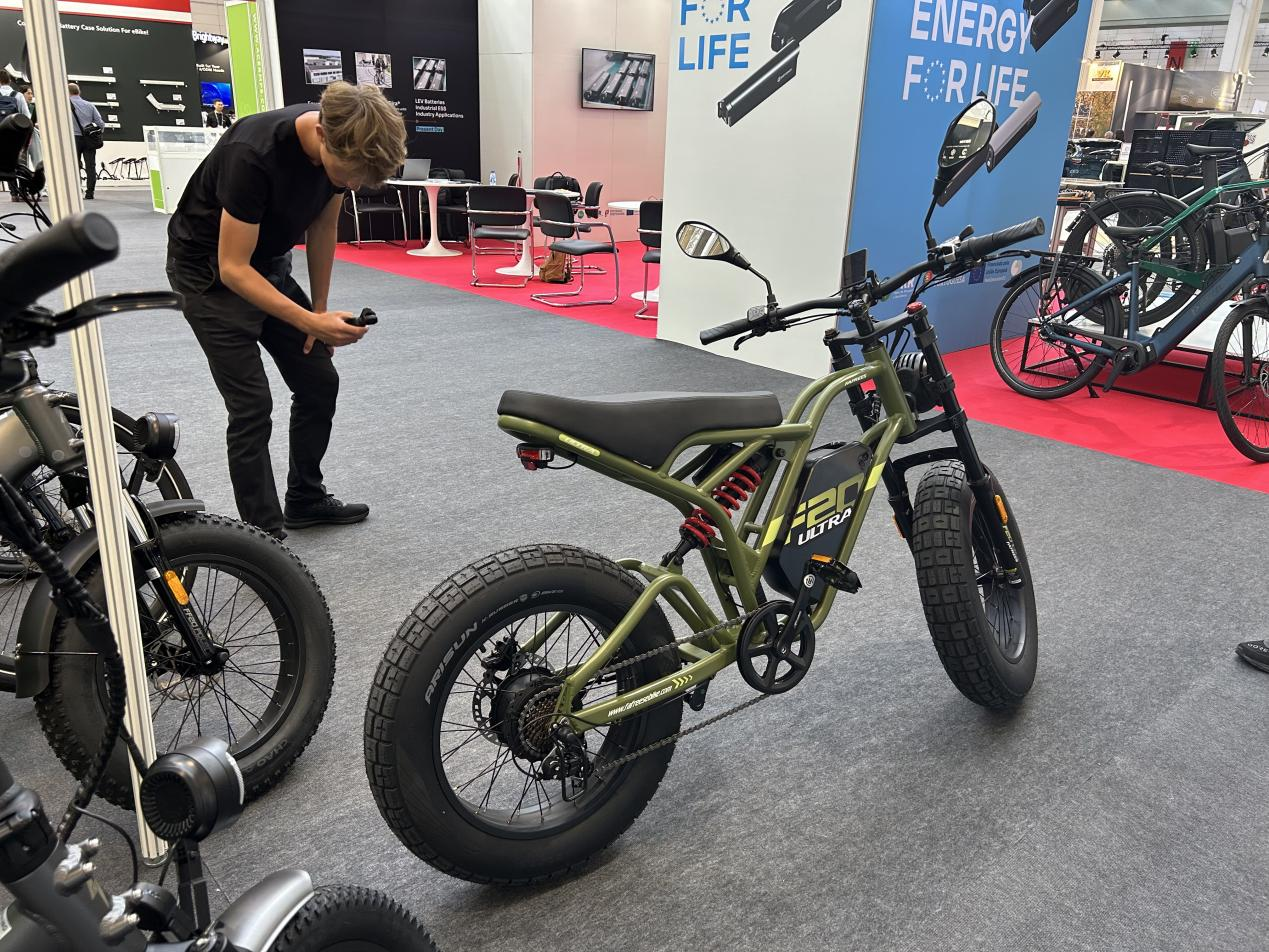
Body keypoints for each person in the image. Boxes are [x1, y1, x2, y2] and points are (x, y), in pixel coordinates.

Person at [165, 81, 406, 539]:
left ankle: (305, 499)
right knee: (252, 405)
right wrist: (308, 321)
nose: (352, 183)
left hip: (268, 263)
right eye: (349, 173)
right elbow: (233, 268)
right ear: (320, 133)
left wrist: (318, 311)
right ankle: (264, 539)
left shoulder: (342, 145)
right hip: (208, 272)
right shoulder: (252, 153)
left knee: (319, 380)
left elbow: (323, 228)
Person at [68, 82, 104, 200]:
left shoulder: (65, 105)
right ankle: (90, 192)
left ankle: (76, 191)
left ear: (67, 92)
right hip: (89, 139)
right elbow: (100, 123)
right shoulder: (89, 105)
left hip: (74, 139)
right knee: (90, 166)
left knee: (74, 166)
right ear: (79, 92)